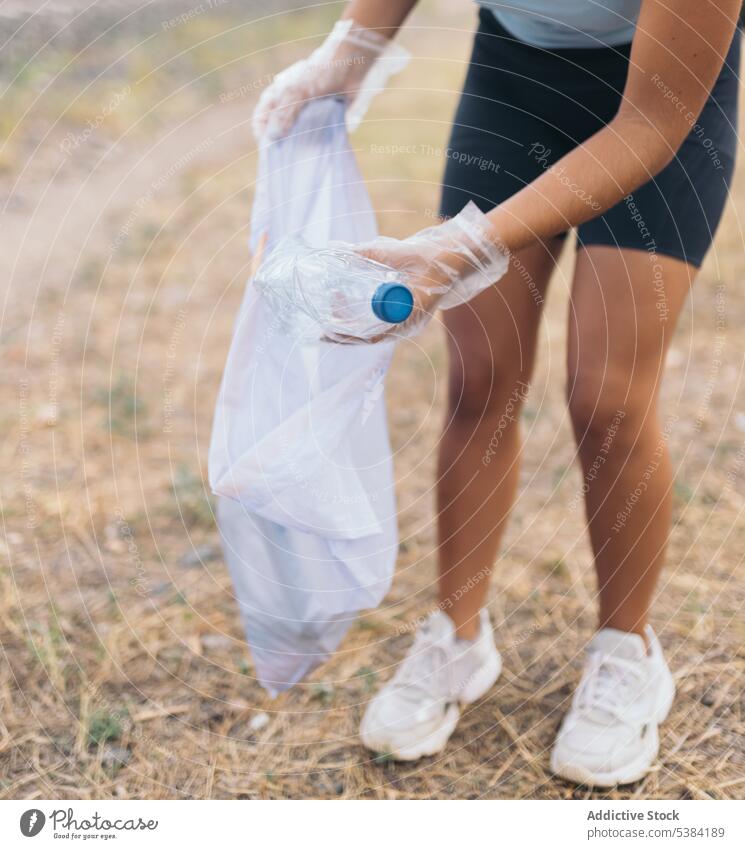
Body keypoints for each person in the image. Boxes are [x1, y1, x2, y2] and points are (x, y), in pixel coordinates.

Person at [252, 0, 741, 786]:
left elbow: (651, 123)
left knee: (605, 395)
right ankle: (457, 635)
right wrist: (351, 49)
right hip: (515, 72)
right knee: (479, 375)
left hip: (659, 104)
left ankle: (626, 652)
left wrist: (467, 244)